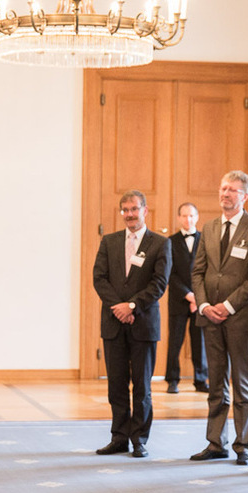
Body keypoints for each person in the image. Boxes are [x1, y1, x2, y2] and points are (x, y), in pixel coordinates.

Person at [189, 171, 248, 465]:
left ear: (244, 196)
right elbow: (198, 272)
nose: (226, 194)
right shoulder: (208, 227)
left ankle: (243, 445)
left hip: (240, 318)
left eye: (233, 190)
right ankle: (215, 442)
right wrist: (206, 304)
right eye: (223, 188)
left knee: (242, 384)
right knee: (216, 382)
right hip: (209, 318)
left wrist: (228, 306)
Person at [92, 190, 172, 458]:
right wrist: (119, 308)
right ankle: (119, 437)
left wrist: (133, 306)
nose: (129, 214)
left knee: (141, 386)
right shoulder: (109, 241)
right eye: (124, 210)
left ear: (145, 210)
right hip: (114, 323)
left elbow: (159, 283)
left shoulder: (160, 244)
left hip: (144, 323)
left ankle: (139, 439)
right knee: (116, 384)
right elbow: (99, 278)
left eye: (134, 209)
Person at [164, 202, 208, 394]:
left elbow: (208, 271)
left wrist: (198, 298)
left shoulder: (205, 240)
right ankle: (172, 380)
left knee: (200, 342)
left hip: (201, 300)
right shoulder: (170, 242)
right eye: (184, 215)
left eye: (191, 216)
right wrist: (188, 295)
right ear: (179, 218)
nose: (188, 219)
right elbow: (169, 274)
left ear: (197, 217)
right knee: (175, 340)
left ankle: (200, 380)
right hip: (178, 299)